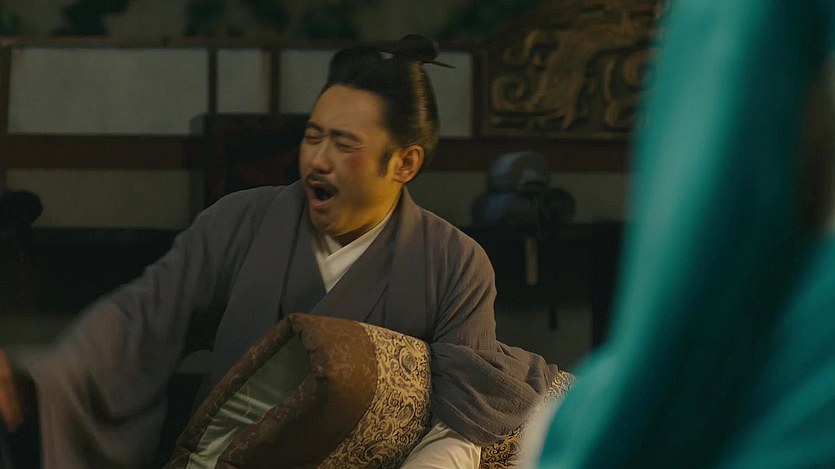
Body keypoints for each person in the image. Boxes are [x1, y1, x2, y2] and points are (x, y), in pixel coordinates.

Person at [0, 34, 558, 468]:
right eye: (313, 136)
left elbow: (463, 418)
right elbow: (144, 316)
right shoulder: (239, 222)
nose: (317, 160)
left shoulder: (455, 262)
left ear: (405, 162)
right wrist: (45, 379)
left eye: (344, 144)